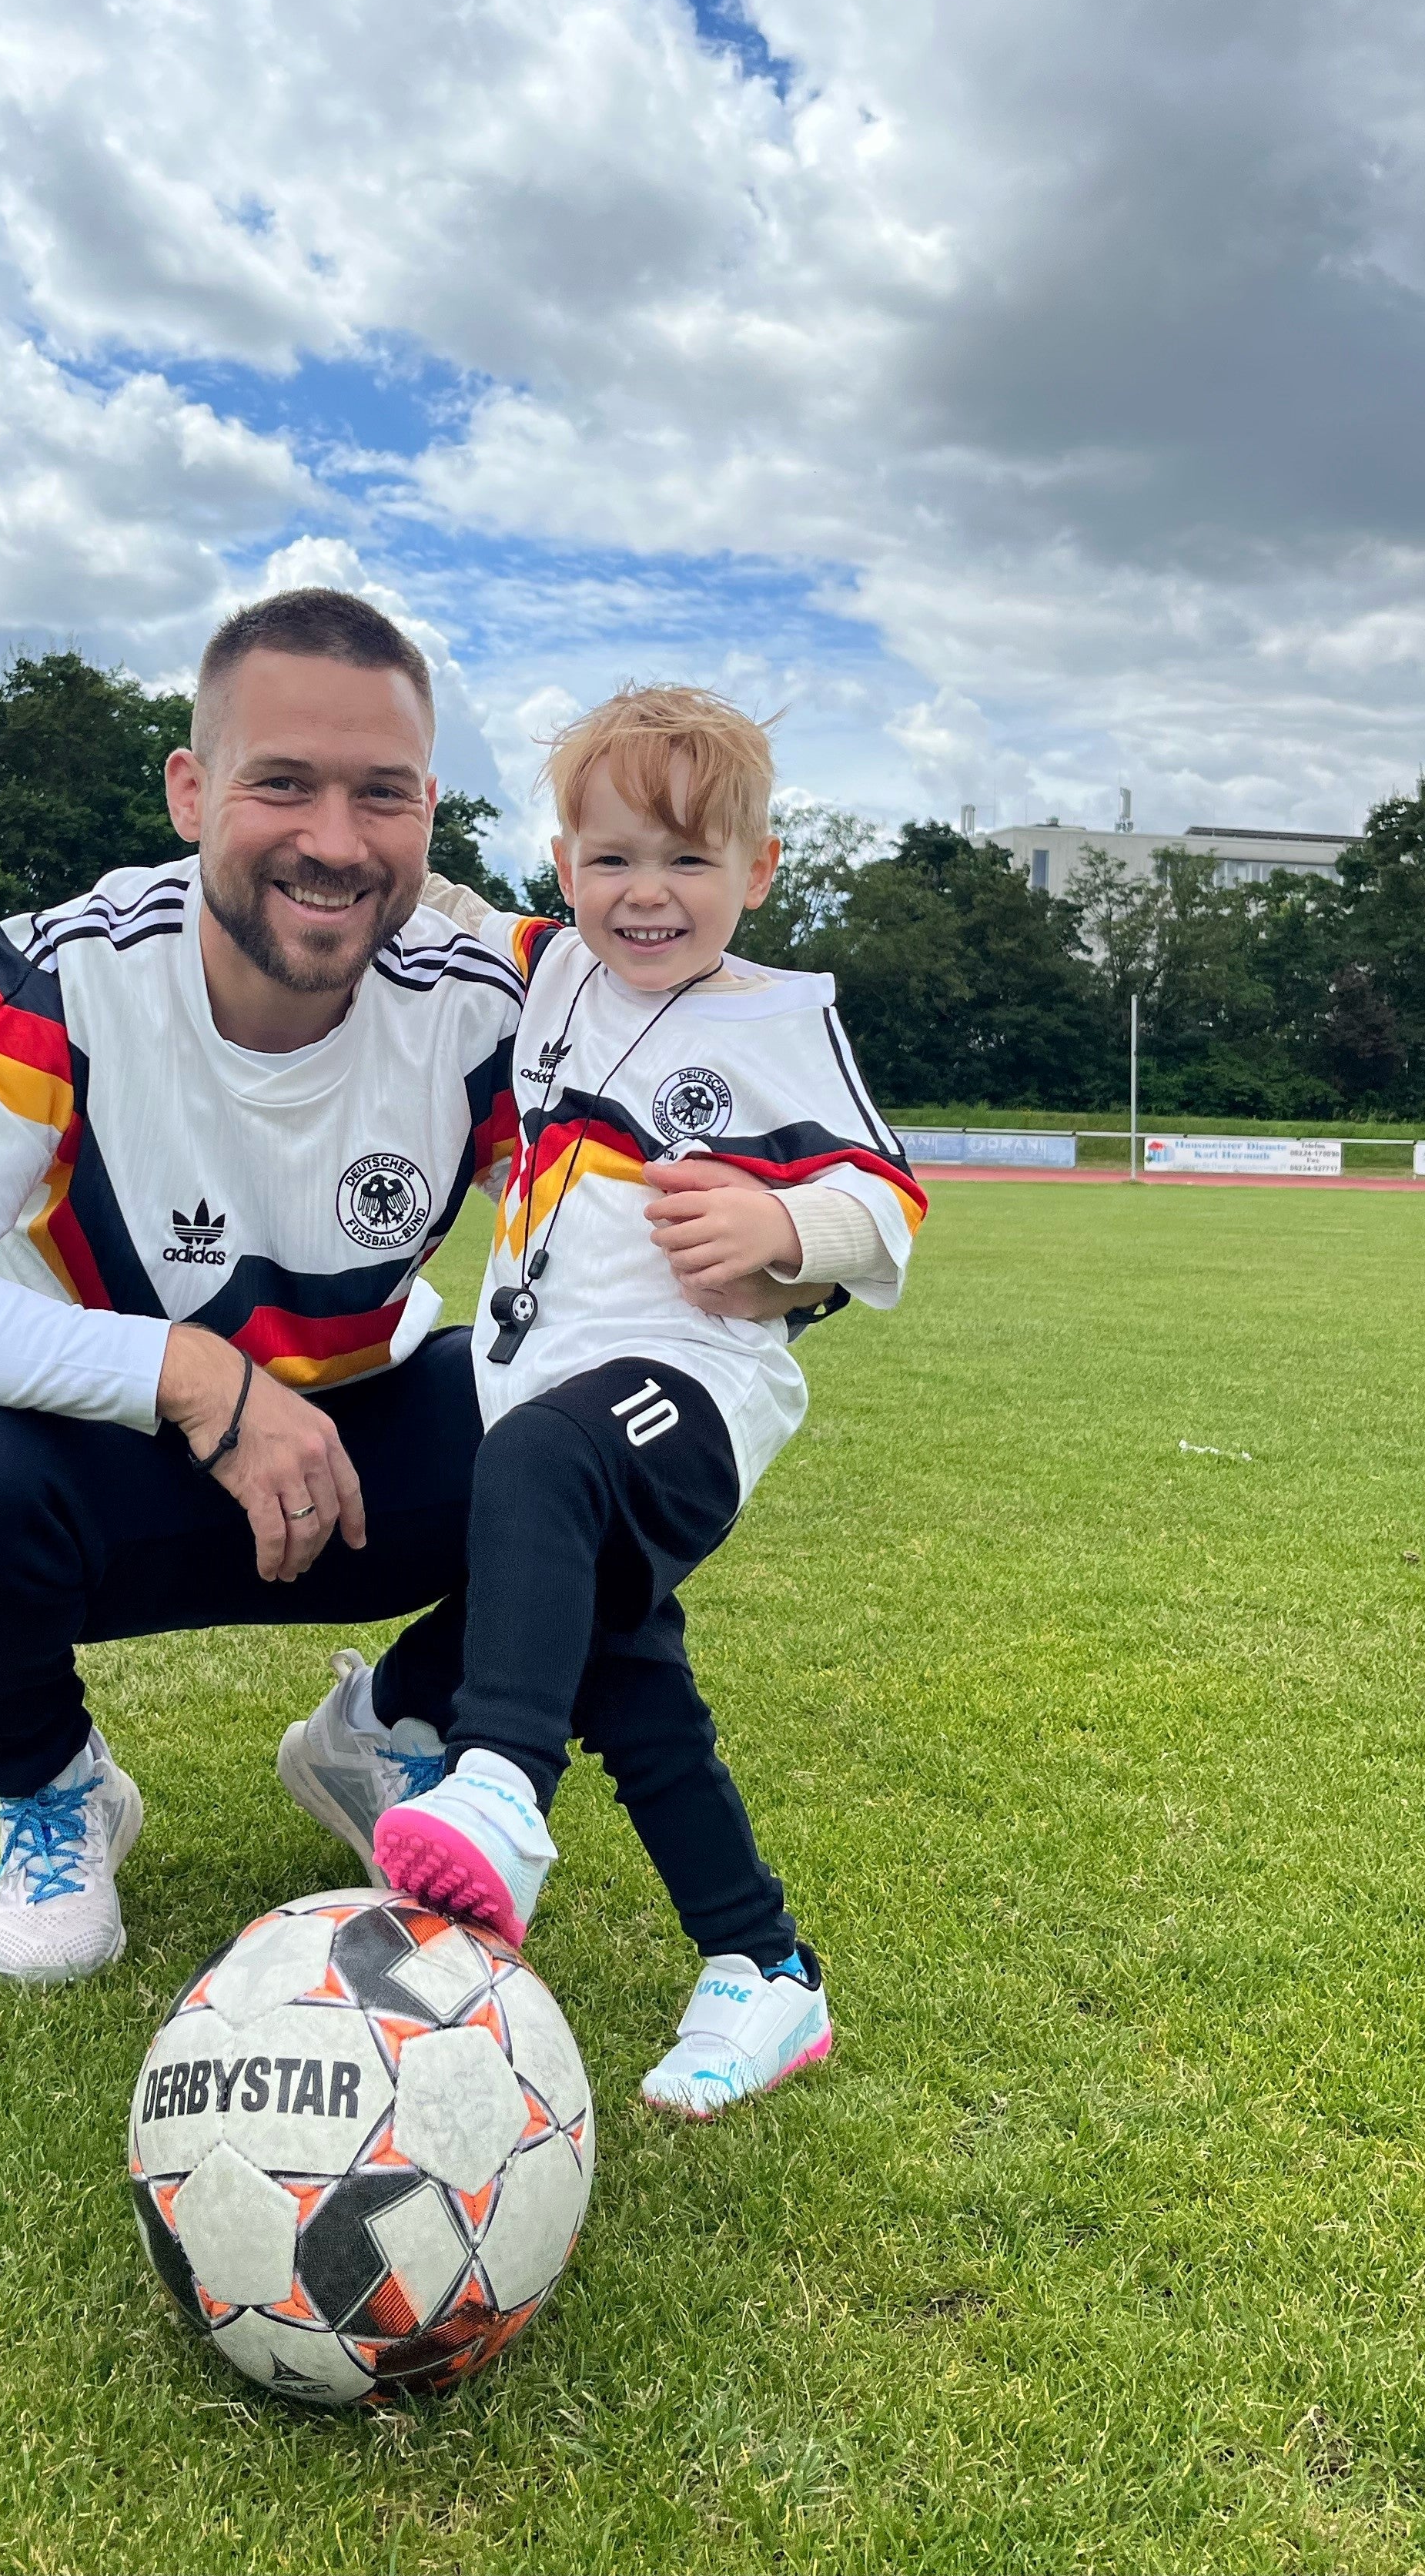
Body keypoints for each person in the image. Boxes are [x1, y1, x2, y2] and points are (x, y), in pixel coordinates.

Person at [0, 591, 811, 1986]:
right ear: (193, 791)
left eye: (381, 795)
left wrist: (797, 1239)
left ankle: (393, 1730)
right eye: (282, 785)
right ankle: (58, 1792)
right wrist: (198, 1379)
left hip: (379, 1460)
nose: (334, 841)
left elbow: (720, 1150)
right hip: (120, 1466)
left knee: (636, 1437)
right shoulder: (62, 979)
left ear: (430, 810)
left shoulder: (506, 993)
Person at [371, 685, 923, 2115]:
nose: (649, 895)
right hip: (538, 1388)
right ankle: (761, 1970)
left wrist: (788, 1238)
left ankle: (493, 1777)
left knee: (543, 1470)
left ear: (757, 870)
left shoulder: (781, 1022)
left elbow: (889, 1201)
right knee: (629, 1668)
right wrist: (333, 825)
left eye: (688, 861)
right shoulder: (548, 970)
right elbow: (429, 898)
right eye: (612, 860)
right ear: (565, 866)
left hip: (691, 1397)